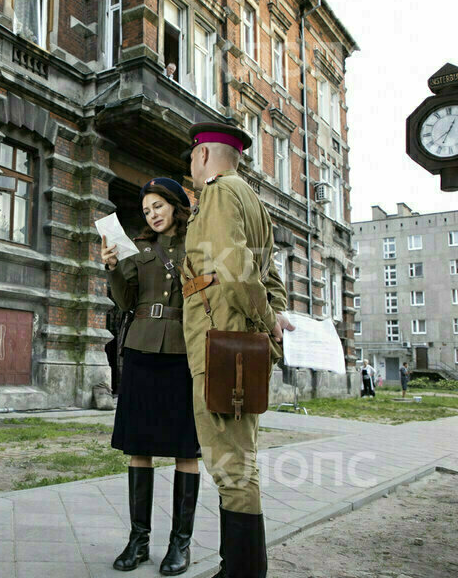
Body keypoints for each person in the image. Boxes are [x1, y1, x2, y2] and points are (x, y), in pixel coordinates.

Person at [179, 121, 293, 578]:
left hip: (219, 342)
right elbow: (271, 278)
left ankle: (241, 572)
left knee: (231, 465)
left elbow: (237, 271)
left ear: (204, 156)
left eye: (191, 157)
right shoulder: (254, 203)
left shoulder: (221, 194)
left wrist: (268, 322)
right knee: (237, 460)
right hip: (235, 341)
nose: (190, 165)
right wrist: (275, 319)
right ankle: (241, 568)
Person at [101, 177, 201, 576]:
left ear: (176, 205)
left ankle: (181, 544)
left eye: (158, 206)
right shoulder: (138, 250)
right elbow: (125, 302)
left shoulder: (198, 244)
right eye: (146, 210)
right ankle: (138, 540)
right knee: (138, 447)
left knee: (185, 449)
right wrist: (111, 269)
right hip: (141, 352)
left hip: (183, 353)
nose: (152, 214)